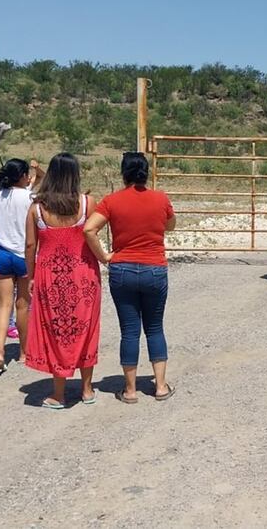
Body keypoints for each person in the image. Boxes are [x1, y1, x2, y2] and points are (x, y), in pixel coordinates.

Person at [84, 152, 177, 404]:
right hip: (154, 268)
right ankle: (159, 386)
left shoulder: (112, 201)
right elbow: (170, 225)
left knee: (130, 331)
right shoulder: (160, 198)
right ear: (146, 173)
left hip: (122, 268)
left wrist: (104, 256)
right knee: (155, 327)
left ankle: (131, 390)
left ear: (123, 173)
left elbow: (89, 229)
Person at [24, 153, 101, 409]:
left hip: (50, 277)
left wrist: (31, 276)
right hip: (83, 276)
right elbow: (94, 236)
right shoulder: (87, 203)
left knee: (56, 331)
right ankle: (87, 389)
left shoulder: (36, 209)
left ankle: (58, 393)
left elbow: (30, 245)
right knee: (86, 328)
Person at [0, 157, 43, 375]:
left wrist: (2, 231)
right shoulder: (29, 197)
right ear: (23, 176)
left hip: (2, 253)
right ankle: (24, 352)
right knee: (23, 304)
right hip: (24, 254)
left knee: (4, 304)